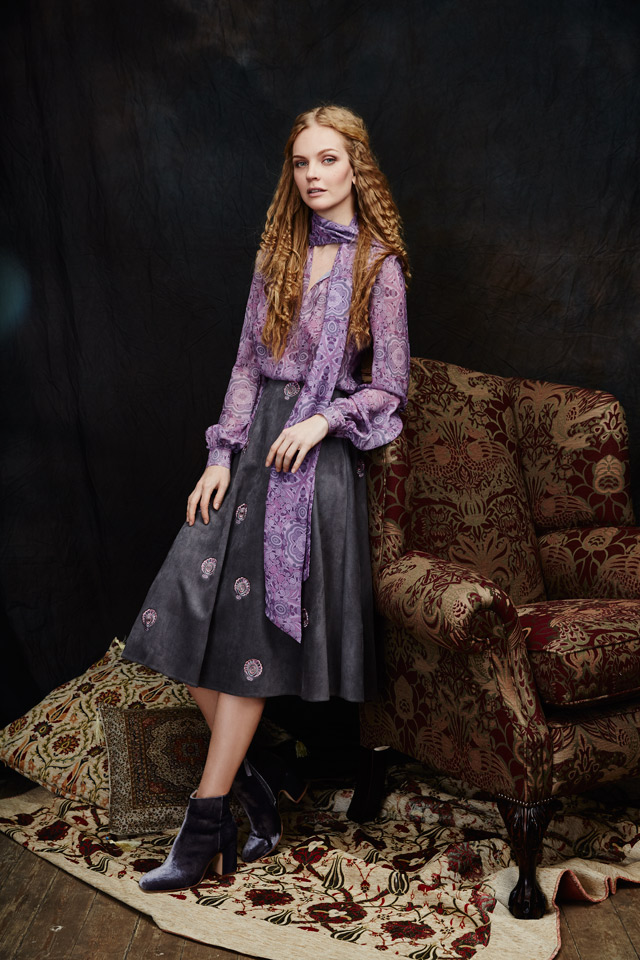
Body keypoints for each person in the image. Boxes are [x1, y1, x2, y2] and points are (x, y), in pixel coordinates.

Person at [123, 104, 410, 892]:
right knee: (179, 612)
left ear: (356, 165)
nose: (313, 175)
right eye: (301, 163)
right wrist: (219, 454)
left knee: (249, 642)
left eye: (327, 159)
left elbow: (390, 387)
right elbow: (248, 365)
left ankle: (203, 827)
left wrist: (324, 420)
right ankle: (259, 778)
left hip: (312, 467)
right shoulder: (278, 255)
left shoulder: (379, 267)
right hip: (251, 454)